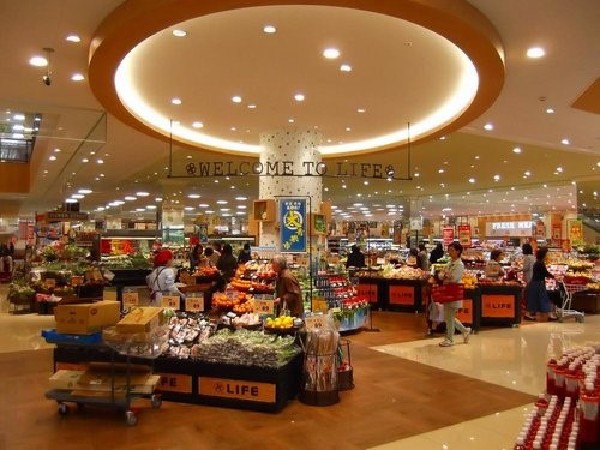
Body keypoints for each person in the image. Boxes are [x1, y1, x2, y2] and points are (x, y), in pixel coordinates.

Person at [439, 242, 471, 347]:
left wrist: (446, 276)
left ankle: (450, 339)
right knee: (448, 316)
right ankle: (465, 330)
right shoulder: (449, 263)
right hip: (447, 291)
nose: (450, 252)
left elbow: (454, 278)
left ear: (458, 251)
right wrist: (445, 276)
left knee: (450, 316)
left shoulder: (459, 265)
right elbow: (441, 275)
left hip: (454, 292)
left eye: (452, 250)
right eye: (449, 250)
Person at [526, 247, 554, 322]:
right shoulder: (541, 263)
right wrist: (554, 276)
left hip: (535, 283)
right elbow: (545, 273)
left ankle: (528, 314)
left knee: (533, 299)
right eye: (546, 255)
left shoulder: (537, 263)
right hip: (539, 283)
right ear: (543, 256)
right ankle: (549, 314)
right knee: (544, 298)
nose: (547, 256)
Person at [521, 243, 536, 320]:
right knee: (530, 295)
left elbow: (525, 268)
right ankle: (531, 312)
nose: (522, 251)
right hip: (533, 278)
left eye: (523, 249)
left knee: (527, 296)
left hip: (528, 278)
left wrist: (517, 269)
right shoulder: (533, 257)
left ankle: (527, 313)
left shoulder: (526, 258)